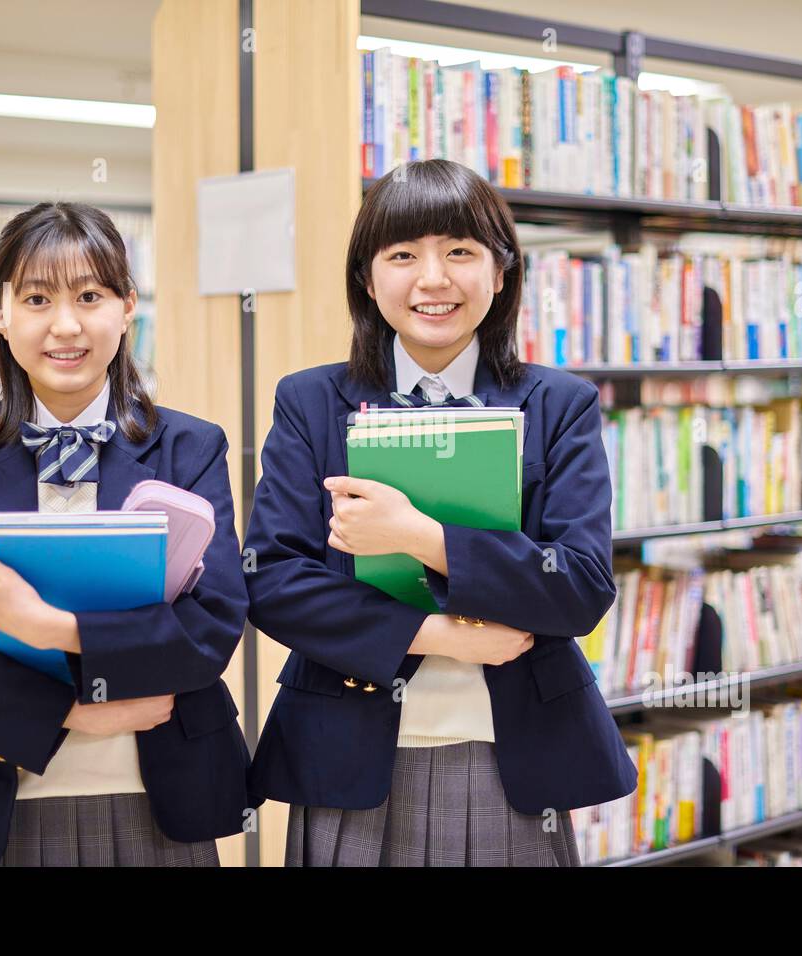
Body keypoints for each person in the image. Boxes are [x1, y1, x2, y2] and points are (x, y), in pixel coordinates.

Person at [244, 159, 638, 866]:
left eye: (460, 251)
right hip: (348, 752)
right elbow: (273, 581)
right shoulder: (310, 402)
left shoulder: (558, 405)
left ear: (501, 270)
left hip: (514, 752)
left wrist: (422, 538)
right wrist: (437, 634)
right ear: (368, 279)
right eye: (403, 255)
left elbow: (580, 586)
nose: (433, 279)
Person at [0, 202, 251, 866]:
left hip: (163, 793)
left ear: (128, 304)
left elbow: (213, 626)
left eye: (90, 295)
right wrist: (73, 713)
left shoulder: (191, 448)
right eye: (37, 298)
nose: (66, 325)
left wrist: (56, 630)